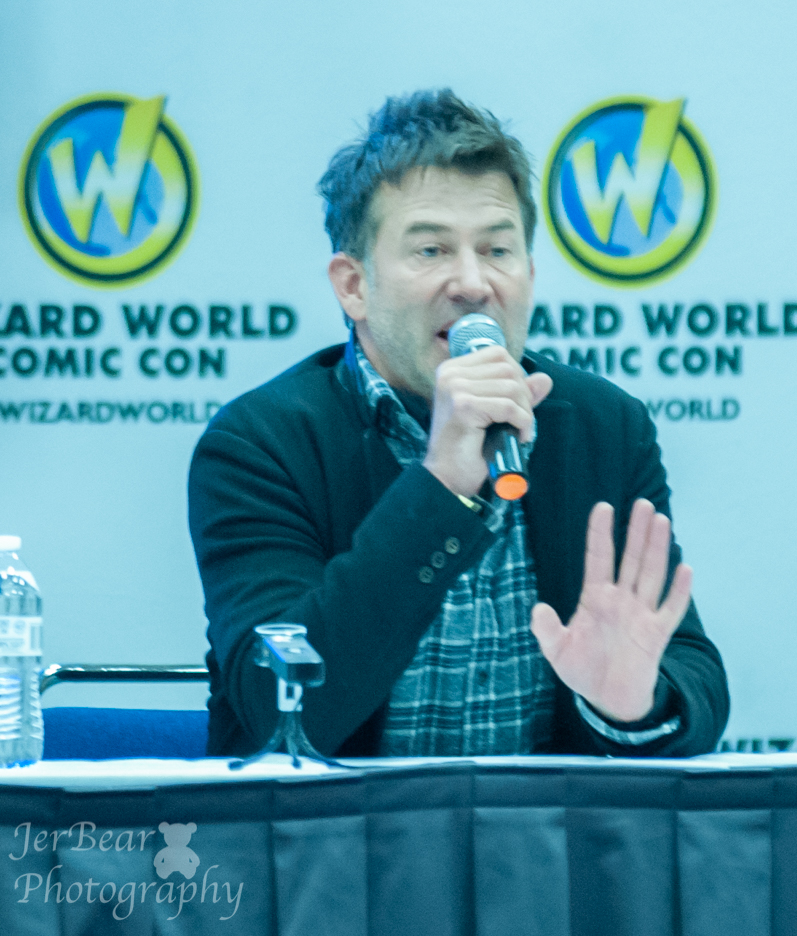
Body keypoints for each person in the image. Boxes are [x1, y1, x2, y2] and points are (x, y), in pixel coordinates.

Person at [188, 89, 729, 758]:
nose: (473, 284)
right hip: (340, 825)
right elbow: (280, 713)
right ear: (353, 286)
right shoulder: (259, 446)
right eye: (431, 251)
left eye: (497, 250)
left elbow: (692, 677)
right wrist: (440, 487)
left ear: (528, 274)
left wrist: (630, 707)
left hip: (548, 826)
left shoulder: (602, 427)